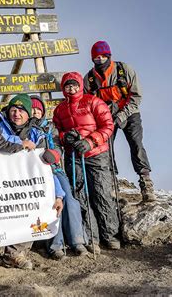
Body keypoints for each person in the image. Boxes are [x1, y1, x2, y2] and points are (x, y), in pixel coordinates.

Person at [0, 94, 61, 277]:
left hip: (22, 185)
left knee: (30, 209)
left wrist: (59, 194)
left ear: (29, 113)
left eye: (21, 110)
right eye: (13, 110)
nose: (16, 114)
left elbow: (45, 166)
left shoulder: (37, 132)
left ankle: (15, 253)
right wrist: (19, 145)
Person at [53, 72, 120, 252]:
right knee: (80, 196)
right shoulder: (59, 110)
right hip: (74, 156)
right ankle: (91, 237)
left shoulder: (93, 102)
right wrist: (66, 137)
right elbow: (56, 133)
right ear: (63, 88)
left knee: (101, 193)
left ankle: (110, 234)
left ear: (80, 85)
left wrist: (90, 141)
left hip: (96, 154)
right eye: (67, 86)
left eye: (74, 85)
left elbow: (108, 125)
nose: (71, 88)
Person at [84, 41, 156, 202]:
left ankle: (146, 183)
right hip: (105, 117)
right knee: (105, 148)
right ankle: (111, 184)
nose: (101, 60)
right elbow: (88, 104)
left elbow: (136, 96)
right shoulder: (88, 79)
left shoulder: (125, 70)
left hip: (130, 113)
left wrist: (122, 115)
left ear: (109, 56)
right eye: (97, 58)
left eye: (104, 56)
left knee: (136, 144)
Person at [31, 96, 88, 259]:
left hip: (55, 169)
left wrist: (54, 154)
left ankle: (77, 240)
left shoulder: (50, 127)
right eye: (32, 109)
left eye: (38, 109)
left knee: (70, 200)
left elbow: (57, 147)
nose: (35, 112)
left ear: (42, 111)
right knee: (53, 202)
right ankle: (56, 244)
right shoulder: (26, 130)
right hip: (40, 173)